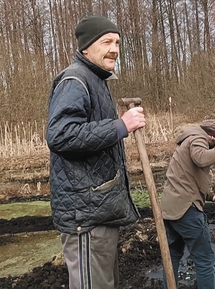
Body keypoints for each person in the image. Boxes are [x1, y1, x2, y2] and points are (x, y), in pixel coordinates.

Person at [46, 15, 145, 289]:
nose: (115, 48)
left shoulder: (97, 80)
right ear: (86, 47)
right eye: (106, 42)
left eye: (117, 42)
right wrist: (120, 126)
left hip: (99, 212)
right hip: (86, 217)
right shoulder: (75, 80)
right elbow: (60, 135)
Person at [160, 119, 215, 289]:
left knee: (172, 256)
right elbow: (201, 159)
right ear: (212, 137)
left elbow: (190, 179)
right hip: (186, 210)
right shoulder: (198, 139)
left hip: (170, 209)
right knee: (205, 260)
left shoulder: (187, 142)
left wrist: (213, 196)